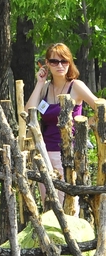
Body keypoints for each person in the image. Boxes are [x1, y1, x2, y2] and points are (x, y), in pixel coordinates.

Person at [24, 42, 99, 195]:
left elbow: (102, 110)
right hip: (44, 154)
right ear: (47, 63)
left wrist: (84, 127)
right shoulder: (45, 88)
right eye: (54, 61)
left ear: (69, 62)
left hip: (67, 154)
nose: (60, 65)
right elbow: (28, 113)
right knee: (48, 203)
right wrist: (39, 83)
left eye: (64, 61)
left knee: (67, 203)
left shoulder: (76, 86)